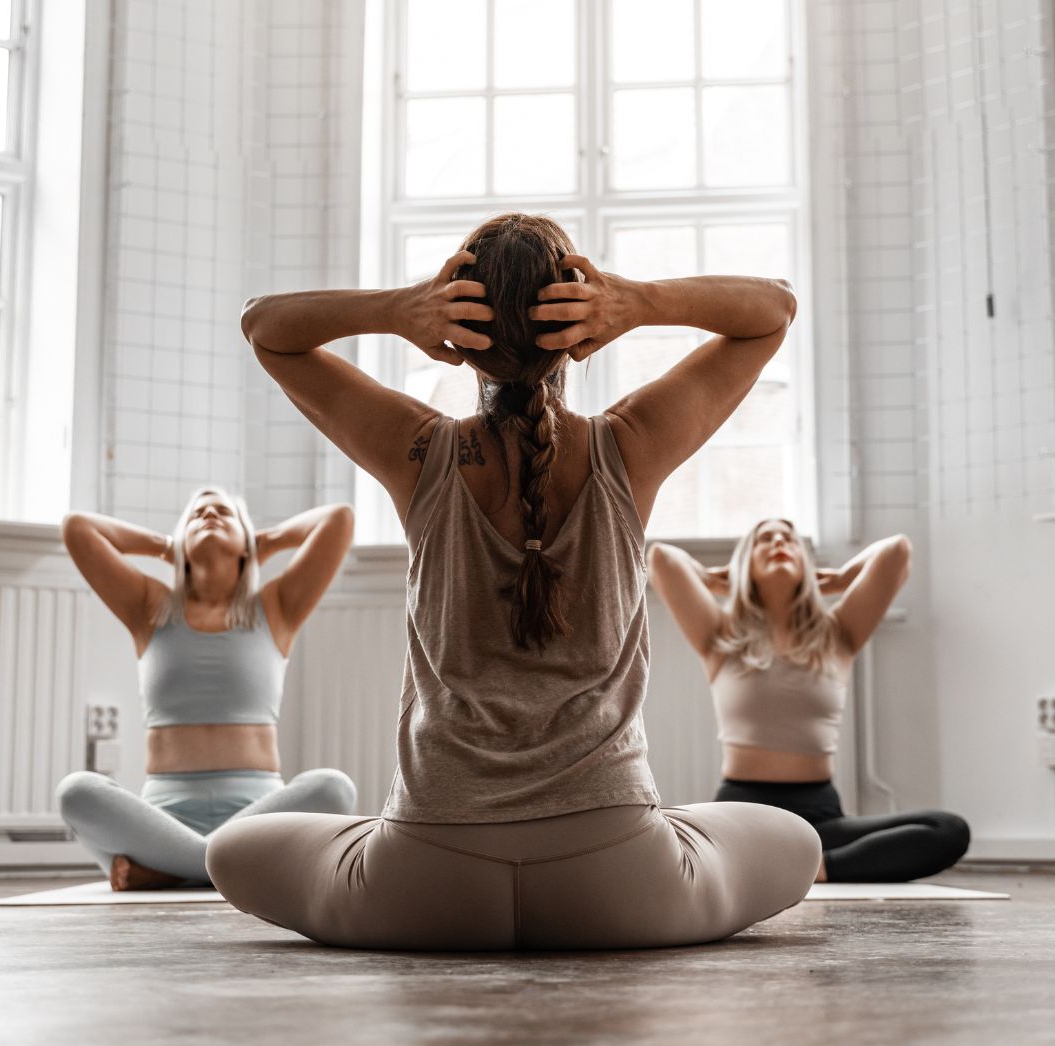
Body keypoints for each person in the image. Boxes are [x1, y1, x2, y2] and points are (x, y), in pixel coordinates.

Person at [206, 211, 820, 949]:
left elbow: (265, 325)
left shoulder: (420, 453)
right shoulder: (632, 446)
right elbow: (773, 310)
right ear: (579, 325)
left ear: (463, 332)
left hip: (426, 880)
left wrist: (396, 312)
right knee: (794, 837)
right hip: (621, 879)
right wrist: (639, 304)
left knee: (226, 850)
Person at [56, 490, 358, 889]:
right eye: (197, 513)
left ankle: (174, 870)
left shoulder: (276, 608)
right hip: (163, 821)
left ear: (246, 542)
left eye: (224, 513)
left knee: (334, 788)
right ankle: (221, 867)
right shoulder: (149, 606)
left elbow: (338, 520)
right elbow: (78, 528)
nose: (210, 514)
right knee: (76, 791)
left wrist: (263, 543)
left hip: (259, 813)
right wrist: (167, 547)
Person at [648, 519, 970, 882]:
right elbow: (661, 558)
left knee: (948, 830)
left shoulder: (838, 635)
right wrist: (718, 579)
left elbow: (897, 551)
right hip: (743, 810)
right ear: (745, 563)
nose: (778, 542)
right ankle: (791, 866)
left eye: (788, 539)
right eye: (764, 540)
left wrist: (842, 579)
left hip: (820, 816)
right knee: (665, 851)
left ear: (806, 563)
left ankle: (818, 869)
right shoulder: (722, 637)